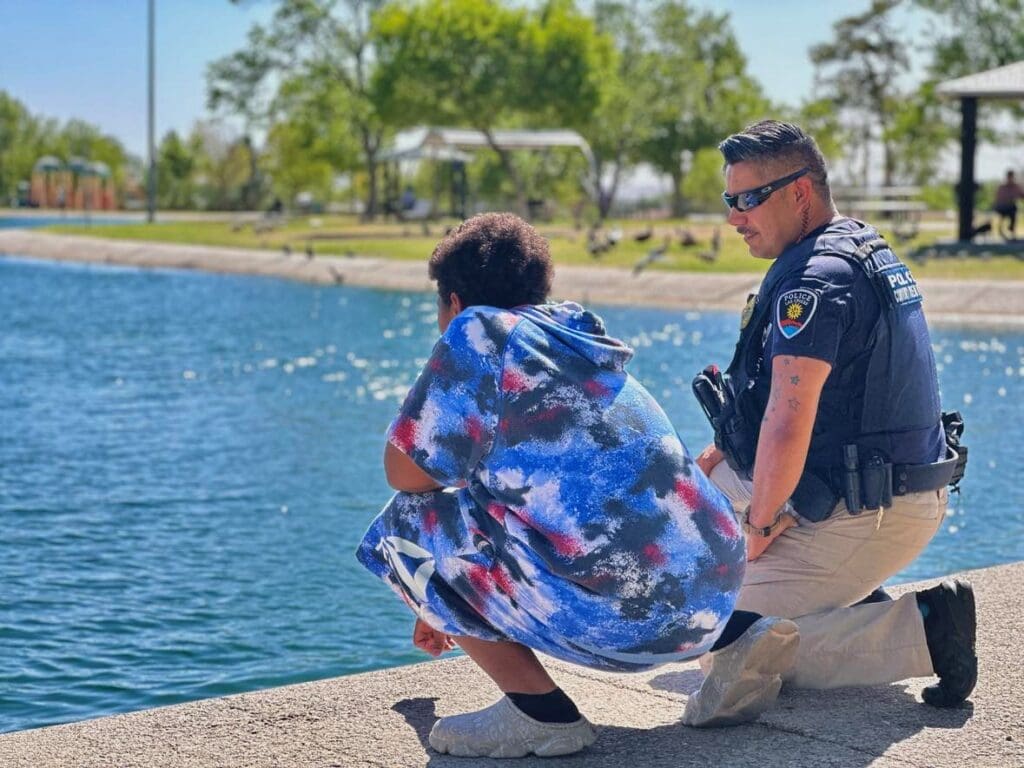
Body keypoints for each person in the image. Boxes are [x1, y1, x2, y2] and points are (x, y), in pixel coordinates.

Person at [357, 212, 794, 758]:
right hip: (717, 587)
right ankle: (735, 639)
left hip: (636, 621)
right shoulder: (574, 337)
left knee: (399, 528)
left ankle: (539, 714)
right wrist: (442, 604)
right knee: (561, 516)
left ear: (452, 301)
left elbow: (405, 475)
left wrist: (438, 588)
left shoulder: (478, 331)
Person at [692, 120, 976, 714]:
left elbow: (789, 419)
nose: (734, 217)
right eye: (729, 200)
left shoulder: (819, 280)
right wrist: (720, 453)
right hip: (856, 490)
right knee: (683, 504)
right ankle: (847, 596)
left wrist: (763, 522)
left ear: (799, 192)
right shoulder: (845, 248)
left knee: (709, 633)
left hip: (867, 510)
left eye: (748, 200)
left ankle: (921, 627)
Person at [994, 169, 1024, 240]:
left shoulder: (1016, 186)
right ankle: (1001, 230)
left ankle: (1011, 230)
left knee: (1013, 210)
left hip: (1011, 208)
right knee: (1005, 212)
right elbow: (999, 198)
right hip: (1002, 207)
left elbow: (1021, 196)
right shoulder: (1002, 187)